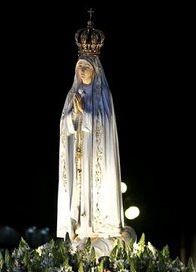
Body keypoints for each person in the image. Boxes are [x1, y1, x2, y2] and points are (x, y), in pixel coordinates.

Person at [57, 17, 125, 243]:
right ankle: (77, 227)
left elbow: (103, 122)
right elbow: (64, 126)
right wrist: (74, 115)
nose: (83, 71)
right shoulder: (72, 95)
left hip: (95, 156)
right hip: (77, 156)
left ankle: (98, 228)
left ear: (95, 69)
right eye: (80, 67)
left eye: (87, 67)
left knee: (94, 192)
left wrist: (84, 113)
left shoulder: (102, 95)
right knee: (77, 193)